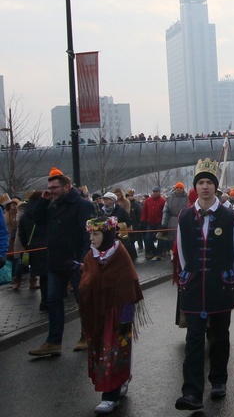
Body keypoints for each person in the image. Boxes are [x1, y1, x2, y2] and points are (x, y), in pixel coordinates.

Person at [175, 158, 234, 411]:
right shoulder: (184, 217)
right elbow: (182, 253)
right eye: (201, 183)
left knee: (219, 336)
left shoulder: (229, 216)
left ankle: (218, 380)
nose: (204, 187)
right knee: (193, 339)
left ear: (215, 187)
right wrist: (189, 275)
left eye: (209, 183)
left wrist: (231, 277)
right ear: (196, 187)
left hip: (220, 284)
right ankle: (191, 392)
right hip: (193, 287)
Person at [79, 216, 145, 414]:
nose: (92, 238)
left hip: (116, 314)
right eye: (91, 234)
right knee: (100, 350)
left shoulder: (119, 255)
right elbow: (88, 278)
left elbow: (129, 284)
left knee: (114, 351)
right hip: (98, 312)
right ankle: (118, 383)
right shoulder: (91, 256)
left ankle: (110, 395)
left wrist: (126, 319)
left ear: (107, 235)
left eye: (96, 234)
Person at [29, 167, 96, 357]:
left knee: (82, 300)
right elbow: (38, 220)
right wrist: (42, 200)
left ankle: (87, 336)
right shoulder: (51, 204)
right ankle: (53, 341)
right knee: (53, 301)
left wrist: (84, 261)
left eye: (54, 187)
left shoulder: (82, 205)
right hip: (56, 262)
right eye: (48, 187)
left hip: (76, 262)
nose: (50, 190)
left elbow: (88, 235)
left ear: (66, 187)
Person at [18, 192, 48, 310]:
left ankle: (44, 301)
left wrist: (28, 246)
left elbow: (22, 235)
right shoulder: (46, 211)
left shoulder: (24, 215)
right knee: (50, 275)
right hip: (48, 247)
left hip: (34, 249)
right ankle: (49, 300)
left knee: (43, 276)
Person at [161, 182, 189, 258]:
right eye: (177, 188)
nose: (179, 189)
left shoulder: (188, 198)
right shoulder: (169, 199)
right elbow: (166, 212)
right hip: (172, 221)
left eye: (180, 188)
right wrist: (164, 224)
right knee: (172, 240)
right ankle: (173, 254)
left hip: (184, 220)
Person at [140, 187, 166, 260]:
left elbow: (164, 212)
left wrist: (164, 223)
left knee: (160, 238)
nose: (155, 193)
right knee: (147, 238)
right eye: (154, 192)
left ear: (159, 192)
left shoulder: (163, 201)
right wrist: (143, 220)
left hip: (159, 223)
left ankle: (159, 253)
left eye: (156, 192)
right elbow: (144, 211)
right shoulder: (148, 201)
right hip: (149, 222)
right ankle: (153, 251)